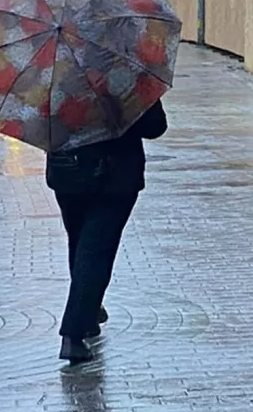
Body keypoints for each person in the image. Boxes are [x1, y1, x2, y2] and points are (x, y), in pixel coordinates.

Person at [47, 100, 167, 363]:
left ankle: (89, 312)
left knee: (80, 242)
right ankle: (73, 332)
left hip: (66, 170)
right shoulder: (125, 74)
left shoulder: (53, 73)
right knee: (96, 251)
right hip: (114, 176)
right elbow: (156, 125)